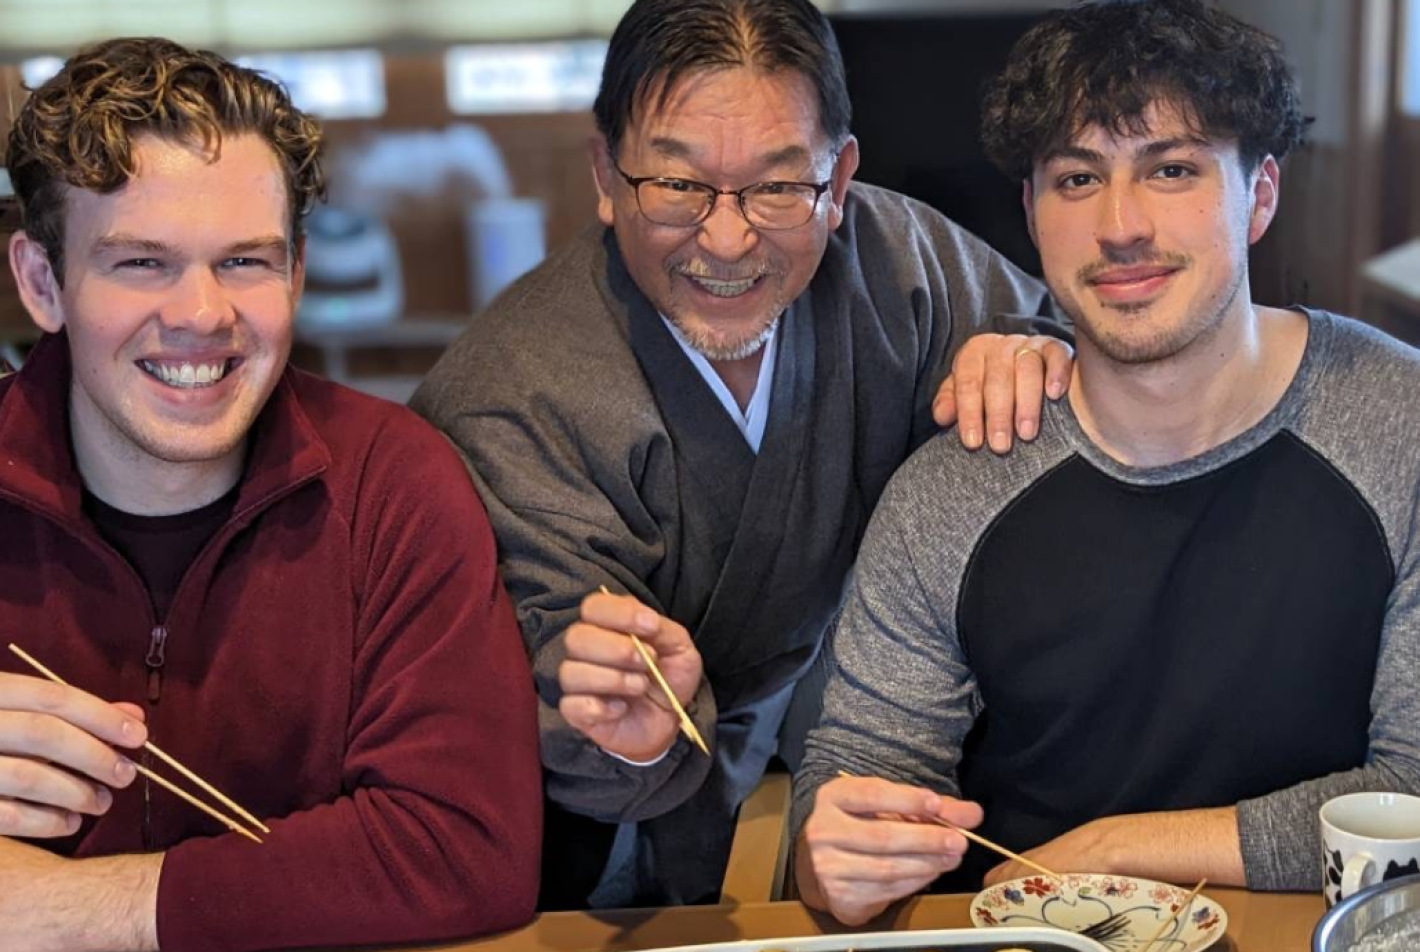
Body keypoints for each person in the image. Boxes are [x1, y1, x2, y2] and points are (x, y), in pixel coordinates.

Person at [411, 0, 1074, 910]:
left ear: (837, 181)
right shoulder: (516, 398)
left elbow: (1066, 324)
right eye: (678, 186)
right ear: (606, 174)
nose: (727, 240)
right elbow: (552, 706)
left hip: (869, 752)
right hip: (598, 849)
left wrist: (1040, 351)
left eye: (776, 187)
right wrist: (627, 730)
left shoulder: (900, 267)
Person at [793, 0, 1420, 927]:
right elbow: (858, 777)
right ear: (1032, 214)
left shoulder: (1397, 424)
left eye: (1171, 169)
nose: (1122, 225)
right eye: (1078, 179)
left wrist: (1109, 847)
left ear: (1261, 195)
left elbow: (1409, 798)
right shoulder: (961, 479)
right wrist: (833, 854)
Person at [0, 38, 540, 951]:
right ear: (42, 281)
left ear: (296, 272)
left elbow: (467, 850)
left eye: (246, 262)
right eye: (141, 263)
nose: (203, 314)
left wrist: (69, 910)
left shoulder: (394, 485)